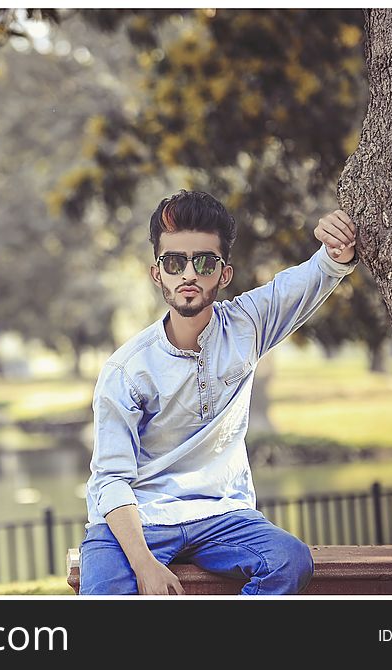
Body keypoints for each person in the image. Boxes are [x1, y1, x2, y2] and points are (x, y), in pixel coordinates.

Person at [79, 190, 358, 595]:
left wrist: (336, 249)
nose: (188, 274)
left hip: (221, 516)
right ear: (158, 273)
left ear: (223, 274)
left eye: (203, 261)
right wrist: (145, 565)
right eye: (175, 262)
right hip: (139, 518)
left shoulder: (246, 327)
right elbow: (110, 480)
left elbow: (314, 275)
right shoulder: (127, 370)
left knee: (289, 561)